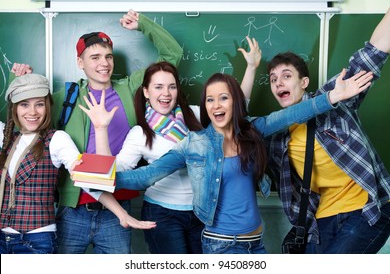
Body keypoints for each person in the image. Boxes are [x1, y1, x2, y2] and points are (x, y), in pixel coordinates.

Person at [81, 58, 372, 253]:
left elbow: (291, 114)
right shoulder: (194, 143)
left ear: (235, 102)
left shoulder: (251, 131)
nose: (216, 104)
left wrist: (333, 96)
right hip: (220, 245)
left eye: (224, 97)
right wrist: (95, 175)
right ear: (204, 107)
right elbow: (145, 176)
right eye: (209, 99)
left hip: (256, 243)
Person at [82, 37, 262, 254]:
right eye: (158, 87)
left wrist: (251, 68)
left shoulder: (196, 116)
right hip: (162, 214)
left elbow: (236, 111)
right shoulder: (140, 134)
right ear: (147, 92)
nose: (166, 94)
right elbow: (112, 172)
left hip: (202, 212)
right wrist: (101, 130)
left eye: (171, 87)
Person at [42, 9, 184, 254]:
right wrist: (16, 78)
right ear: (80, 62)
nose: (104, 63)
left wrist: (144, 25)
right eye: (95, 57)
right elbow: (27, 120)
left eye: (108, 56)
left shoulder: (129, 89)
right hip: (73, 207)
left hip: (118, 207)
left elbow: (173, 55)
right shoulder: (66, 98)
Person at [265, 8, 390, 253]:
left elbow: (375, 51)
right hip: (319, 219)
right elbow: (237, 125)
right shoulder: (276, 135)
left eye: (286, 75)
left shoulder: (333, 97)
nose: (278, 82)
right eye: (272, 79)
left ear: (304, 83)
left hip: (365, 209)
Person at [0, 72, 155, 254]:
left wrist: (122, 214)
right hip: (4, 238)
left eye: (39, 104)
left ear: (48, 107)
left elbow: (87, 181)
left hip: (36, 240)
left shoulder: (57, 139)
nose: (32, 112)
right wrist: (13, 80)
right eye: (24, 104)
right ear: (15, 108)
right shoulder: (6, 136)